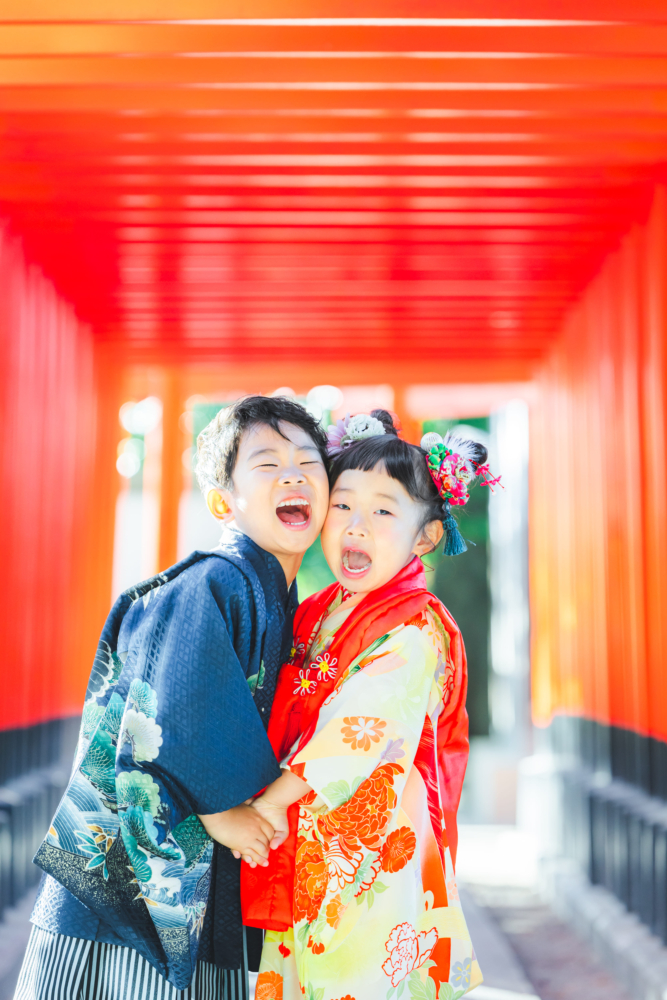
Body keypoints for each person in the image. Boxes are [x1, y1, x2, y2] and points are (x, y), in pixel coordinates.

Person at [15, 396, 330, 1000]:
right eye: (267, 464)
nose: (292, 475)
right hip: (126, 872)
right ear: (222, 502)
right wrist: (219, 809)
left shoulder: (271, 592)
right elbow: (171, 683)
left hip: (186, 870)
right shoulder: (216, 579)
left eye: (308, 462)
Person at [241, 410, 496, 1000]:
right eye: (344, 505)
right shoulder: (319, 608)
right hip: (307, 836)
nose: (357, 526)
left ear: (425, 536)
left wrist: (263, 809)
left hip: (371, 853)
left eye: (383, 511)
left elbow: (356, 731)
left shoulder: (414, 628)